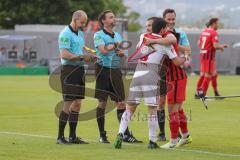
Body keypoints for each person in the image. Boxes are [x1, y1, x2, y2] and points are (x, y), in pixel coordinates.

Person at [114, 17, 187, 149]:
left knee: (130, 107)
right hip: (151, 74)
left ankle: (120, 133)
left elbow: (139, 48)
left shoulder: (143, 36)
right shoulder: (166, 44)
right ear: (162, 29)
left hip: (137, 73)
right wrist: (185, 57)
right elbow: (176, 62)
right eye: (165, 28)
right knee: (152, 109)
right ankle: (152, 141)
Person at [94, 10, 141, 144]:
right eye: (111, 17)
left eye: (114, 17)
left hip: (115, 70)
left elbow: (122, 54)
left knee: (121, 103)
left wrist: (121, 54)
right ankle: (102, 135)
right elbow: (103, 50)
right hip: (102, 69)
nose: (114, 19)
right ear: (103, 21)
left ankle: (125, 134)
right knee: (102, 102)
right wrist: (116, 45)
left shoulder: (118, 35)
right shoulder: (98, 35)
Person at [145, 8, 191, 143]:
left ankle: (173, 140)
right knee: (167, 105)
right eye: (168, 19)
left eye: (173, 19)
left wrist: (156, 41)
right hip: (164, 74)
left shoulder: (171, 35)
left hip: (176, 75)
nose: (171, 22)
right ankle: (180, 135)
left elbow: (172, 41)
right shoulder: (152, 36)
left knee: (172, 108)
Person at [57, 10, 92, 144]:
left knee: (77, 104)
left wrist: (88, 56)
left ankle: (72, 136)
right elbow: (64, 54)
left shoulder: (80, 33)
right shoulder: (65, 33)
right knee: (67, 104)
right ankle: (60, 137)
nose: (83, 25)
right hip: (69, 71)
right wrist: (82, 57)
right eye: (82, 22)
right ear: (75, 19)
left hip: (79, 70)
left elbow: (78, 50)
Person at [196, 18, 229, 98]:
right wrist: (221, 46)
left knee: (213, 74)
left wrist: (204, 48)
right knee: (208, 75)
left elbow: (198, 43)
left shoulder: (205, 31)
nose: (218, 25)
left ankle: (215, 93)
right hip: (209, 56)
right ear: (213, 23)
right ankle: (202, 94)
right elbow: (215, 46)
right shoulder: (213, 32)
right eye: (217, 23)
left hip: (203, 55)